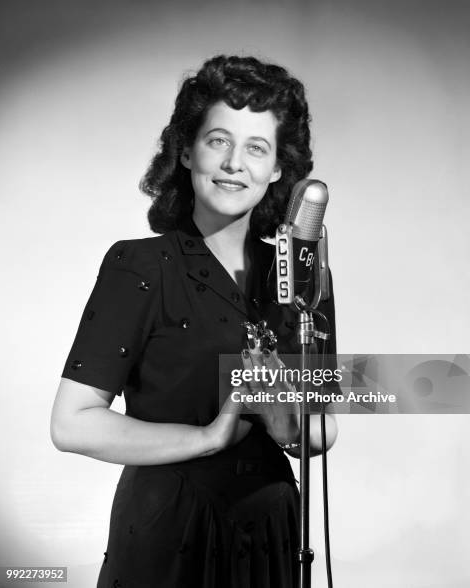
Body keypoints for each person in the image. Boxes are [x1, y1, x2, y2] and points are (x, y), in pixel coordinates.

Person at [51, 54, 339, 588]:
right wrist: (208, 437)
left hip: (273, 530)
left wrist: (286, 420)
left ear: (278, 168)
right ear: (185, 151)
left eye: (256, 147)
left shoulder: (304, 274)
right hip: (170, 526)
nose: (235, 163)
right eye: (217, 141)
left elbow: (322, 425)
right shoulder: (138, 265)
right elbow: (72, 423)